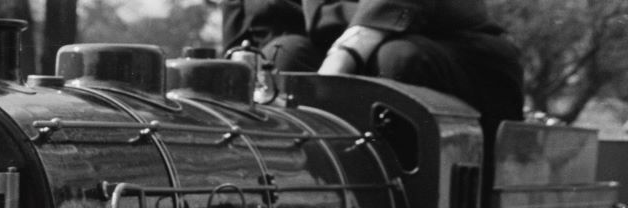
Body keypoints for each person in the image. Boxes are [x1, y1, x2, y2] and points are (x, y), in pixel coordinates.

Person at [220, 0, 526, 124]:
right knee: (283, 54)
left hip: (453, 47)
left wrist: (346, 54)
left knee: (396, 60)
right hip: (336, 45)